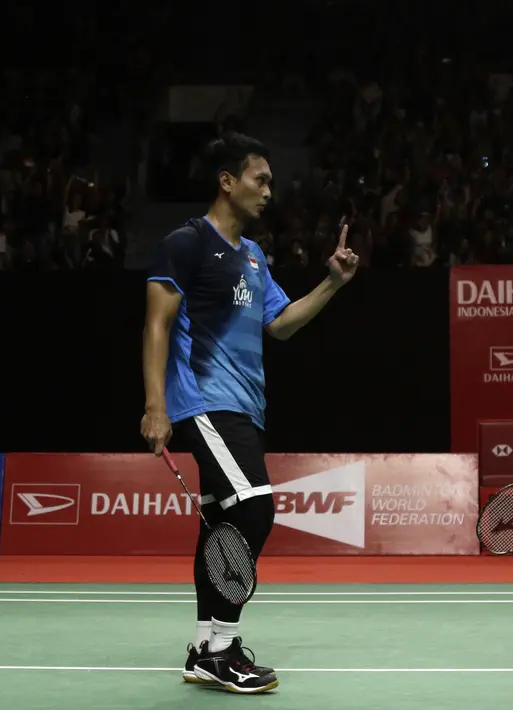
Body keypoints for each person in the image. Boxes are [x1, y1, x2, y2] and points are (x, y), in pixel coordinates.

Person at [141, 131, 360, 694]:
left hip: (245, 406)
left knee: (220, 521)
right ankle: (223, 648)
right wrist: (155, 405)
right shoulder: (186, 243)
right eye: (260, 179)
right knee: (257, 510)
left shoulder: (255, 256)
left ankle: (200, 647)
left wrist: (332, 283)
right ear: (227, 182)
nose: (270, 191)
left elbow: (281, 324)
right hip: (203, 402)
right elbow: (157, 324)